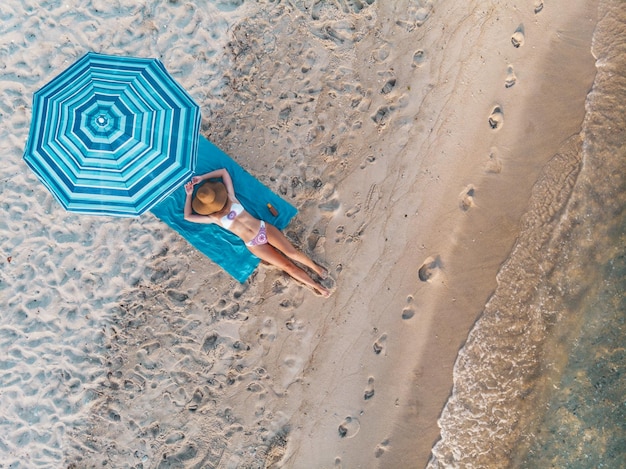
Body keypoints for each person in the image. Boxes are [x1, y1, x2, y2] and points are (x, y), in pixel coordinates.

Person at [184, 168, 331, 297]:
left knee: (291, 253)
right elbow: (188, 216)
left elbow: (223, 172)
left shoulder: (230, 197)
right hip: (253, 244)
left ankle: (316, 268)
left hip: (263, 229)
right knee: (287, 266)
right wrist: (189, 194)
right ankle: (317, 286)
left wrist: (202, 178)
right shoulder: (214, 218)